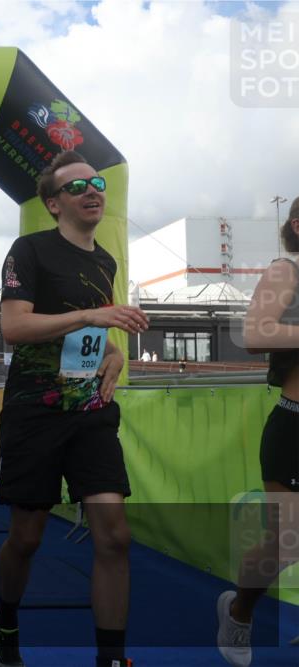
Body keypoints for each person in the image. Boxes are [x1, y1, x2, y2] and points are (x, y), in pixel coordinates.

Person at [0, 150, 149, 667]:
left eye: (98, 183)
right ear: (54, 204)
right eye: (78, 187)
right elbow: (14, 327)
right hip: (34, 410)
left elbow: (91, 332)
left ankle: (111, 659)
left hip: (90, 411)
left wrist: (112, 350)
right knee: (27, 538)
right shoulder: (29, 251)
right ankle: (6, 624)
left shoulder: (106, 260)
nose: (93, 191)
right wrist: (89, 314)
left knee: (115, 534)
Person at [217, 196, 299, 667]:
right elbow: (254, 333)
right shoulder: (286, 272)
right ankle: (239, 611)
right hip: (294, 425)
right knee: (287, 541)